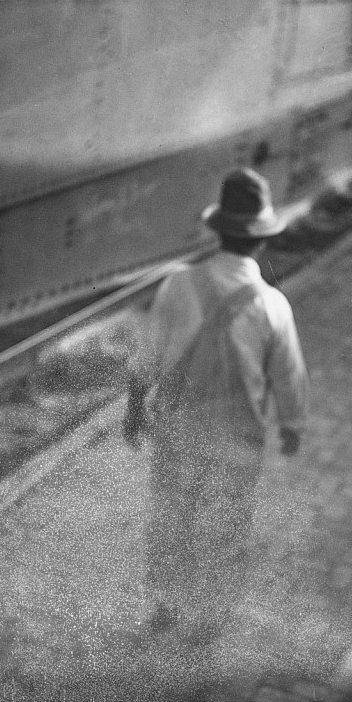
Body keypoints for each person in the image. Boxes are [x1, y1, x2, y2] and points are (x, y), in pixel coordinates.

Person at [125, 167, 309, 645]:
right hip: (238, 440)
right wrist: (292, 425)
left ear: (218, 231)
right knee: (226, 528)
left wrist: (134, 407)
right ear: (261, 241)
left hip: (179, 431)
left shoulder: (177, 285)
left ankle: (166, 605)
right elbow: (288, 373)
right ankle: (209, 617)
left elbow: (149, 352)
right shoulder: (273, 305)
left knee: (172, 518)